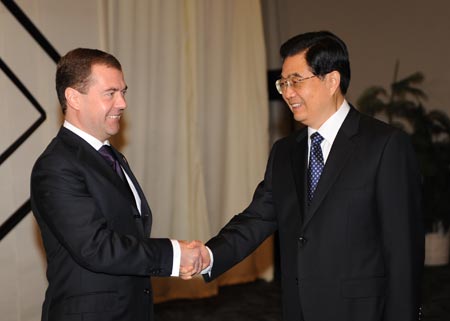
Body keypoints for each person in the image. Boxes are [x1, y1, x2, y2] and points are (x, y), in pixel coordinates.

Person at [201, 31, 424, 321]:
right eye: (283, 83)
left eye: (296, 81)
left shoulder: (384, 145)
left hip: (362, 311)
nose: (287, 93)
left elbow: (403, 251)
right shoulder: (284, 152)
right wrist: (209, 255)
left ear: (331, 81)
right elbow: (257, 218)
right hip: (299, 308)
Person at [30, 48, 209, 321]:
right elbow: (96, 247)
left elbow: (126, 233)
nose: (123, 103)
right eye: (110, 93)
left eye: (123, 92)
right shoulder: (56, 165)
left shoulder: (108, 155)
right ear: (73, 97)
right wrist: (175, 254)